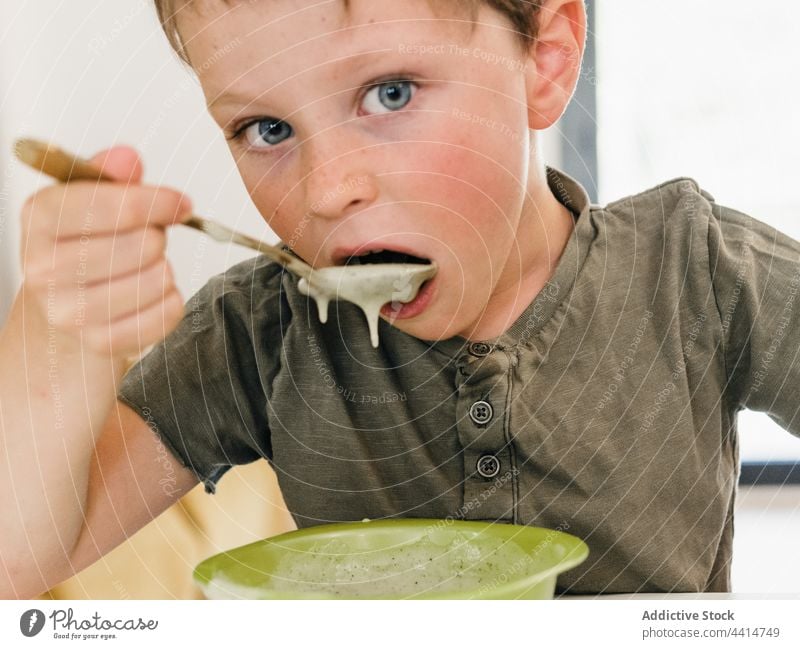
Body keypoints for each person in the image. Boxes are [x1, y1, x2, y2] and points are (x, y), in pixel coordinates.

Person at [2, 0, 799, 598]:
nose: (327, 189)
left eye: (389, 93)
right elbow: (19, 556)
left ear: (545, 61)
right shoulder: (262, 331)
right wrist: (57, 329)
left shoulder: (692, 271)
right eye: (267, 129)